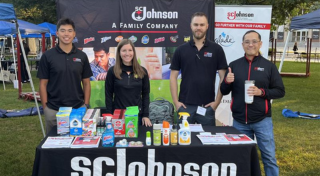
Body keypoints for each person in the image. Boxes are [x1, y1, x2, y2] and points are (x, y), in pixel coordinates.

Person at [220, 30, 285, 176]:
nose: (251, 44)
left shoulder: (269, 67)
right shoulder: (234, 65)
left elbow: (280, 91)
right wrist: (226, 81)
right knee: (240, 158)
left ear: (260, 44)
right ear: (242, 45)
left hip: (263, 120)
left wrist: (261, 92)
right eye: (247, 42)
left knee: (269, 157)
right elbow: (224, 91)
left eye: (254, 41)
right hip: (240, 121)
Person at [169, 12, 227, 126]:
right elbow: (173, 77)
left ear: (207, 26)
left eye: (201, 24)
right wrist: (176, 103)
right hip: (185, 106)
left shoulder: (217, 49)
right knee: (184, 141)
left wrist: (216, 103)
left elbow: (223, 78)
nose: (198, 28)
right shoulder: (181, 50)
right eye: (196, 24)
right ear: (191, 26)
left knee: (207, 142)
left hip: (207, 106)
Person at [37, 18, 93, 134]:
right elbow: (43, 84)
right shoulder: (48, 56)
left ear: (74, 34)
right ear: (57, 33)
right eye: (62, 30)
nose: (66, 34)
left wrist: (86, 105)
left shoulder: (82, 56)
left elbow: (86, 83)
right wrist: (46, 108)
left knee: (78, 145)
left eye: (69, 30)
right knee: (53, 148)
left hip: (78, 109)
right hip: (54, 110)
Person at [105, 39, 152, 127]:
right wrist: (110, 114)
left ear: (133, 52)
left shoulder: (142, 71)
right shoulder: (112, 71)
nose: (127, 53)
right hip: (118, 117)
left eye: (130, 50)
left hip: (137, 116)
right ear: (119, 53)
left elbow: (145, 95)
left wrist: (145, 115)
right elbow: (108, 95)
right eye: (124, 50)